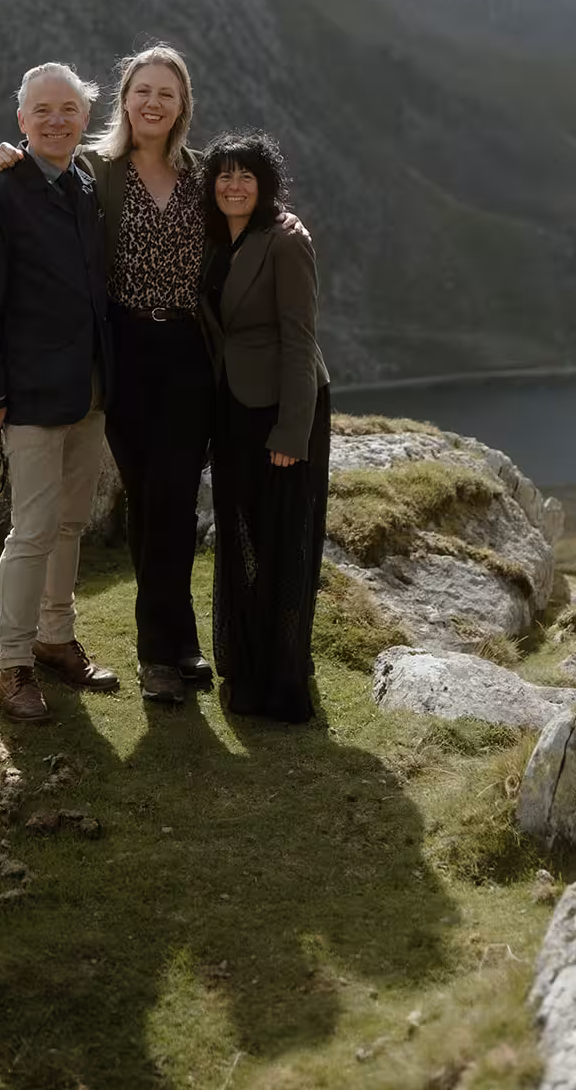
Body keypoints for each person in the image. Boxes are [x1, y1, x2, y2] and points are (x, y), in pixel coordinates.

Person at [0, 46, 213, 705]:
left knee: (168, 499)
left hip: (187, 356)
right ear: (124, 100)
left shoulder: (201, 174)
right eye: (142, 90)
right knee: (146, 500)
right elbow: (36, 173)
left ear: (181, 105)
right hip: (124, 356)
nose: (153, 103)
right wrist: (5, 156)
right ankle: (153, 655)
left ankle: (178, 641)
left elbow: (242, 215)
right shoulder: (95, 169)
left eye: (166, 93)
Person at [0, 62, 120, 723]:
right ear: (21, 121)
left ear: (84, 118)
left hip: (89, 391)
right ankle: (14, 664)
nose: (56, 120)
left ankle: (56, 640)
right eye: (42, 111)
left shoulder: (83, 184)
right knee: (35, 530)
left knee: (72, 525)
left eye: (68, 109)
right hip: (27, 397)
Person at [198, 130, 331, 723]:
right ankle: (244, 663)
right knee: (239, 532)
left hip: (282, 409)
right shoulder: (208, 238)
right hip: (230, 406)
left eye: (246, 175)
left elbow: (301, 342)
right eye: (224, 174)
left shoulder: (284, 241)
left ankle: (281, 679)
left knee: (283, 541)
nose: (233, 185)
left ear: (265, 184)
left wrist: (291, 432)